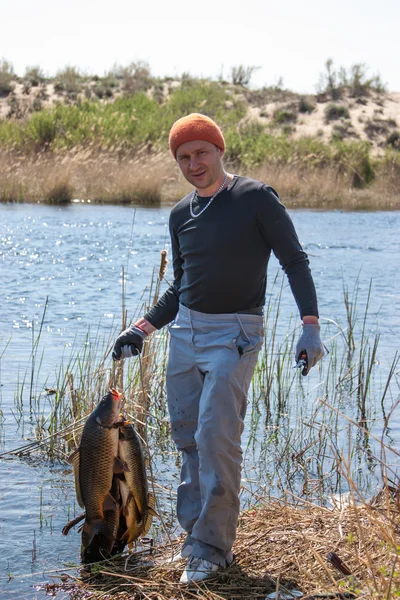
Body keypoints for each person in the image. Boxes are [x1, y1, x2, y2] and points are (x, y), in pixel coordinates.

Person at [112, 113, 324, 583]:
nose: (193, 163)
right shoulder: (180, 214)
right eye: (183, 157)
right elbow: (182, 284)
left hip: (235, 334)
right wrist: (142, 329)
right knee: (187, 438)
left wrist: (310, 326)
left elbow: (294, 260)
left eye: (201, 152)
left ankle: (213, 549)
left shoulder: (254, 199)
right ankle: (195, 541)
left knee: (216, 438)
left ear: (219, 150)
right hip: (185, 332)